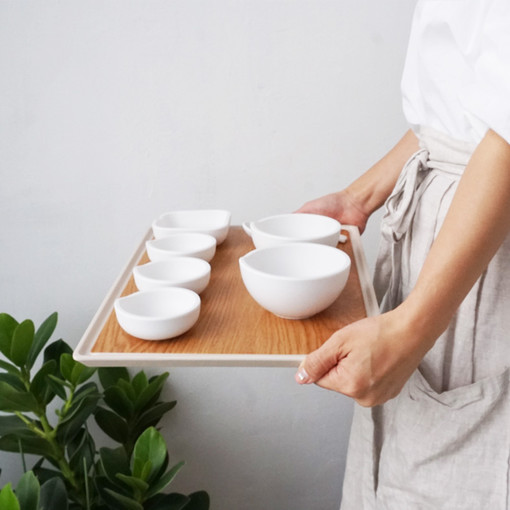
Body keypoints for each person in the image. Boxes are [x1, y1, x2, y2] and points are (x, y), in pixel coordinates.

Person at [294, 1, 510, 508]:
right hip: (448, 255)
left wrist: (412, 328)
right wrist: (360, 197)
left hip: (482, 255)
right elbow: (457, 112)